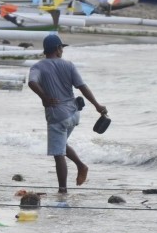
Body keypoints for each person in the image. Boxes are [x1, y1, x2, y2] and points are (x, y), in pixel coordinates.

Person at [28, 34, 108, 194]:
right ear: (57, 49)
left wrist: (44, 97)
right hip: (73, 114)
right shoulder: (69, 65)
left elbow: (31, 82)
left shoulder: (37, 67)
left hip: (57, 116)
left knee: (58, 154)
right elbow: (82, 87)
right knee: (61, 145)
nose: (62, 51)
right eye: (61, 48)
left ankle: (63, 190)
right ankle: (81, 166)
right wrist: (97, 105)